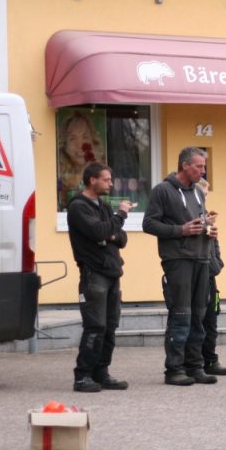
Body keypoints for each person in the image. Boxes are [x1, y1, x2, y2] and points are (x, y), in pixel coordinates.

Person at [143, 147, 219, 386]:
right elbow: (149, 224)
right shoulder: (162, 191)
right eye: (199, 166)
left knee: (199, 315)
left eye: (204, 166)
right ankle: (174, 369)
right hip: (178, 261)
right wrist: (180, 230)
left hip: (202, 258)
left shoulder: (198, 192)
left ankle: (195, 367)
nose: (203, 171)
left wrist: (209, 229)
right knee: (181, 313)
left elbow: (199, 219)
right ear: (185, 165)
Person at [66, 162, 134, 393]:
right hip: (93, 274)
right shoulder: (78, 207)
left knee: (110, 327)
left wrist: (111, 232)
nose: (111, 183)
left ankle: (101, 373)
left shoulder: (103, 206)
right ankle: (82, 376)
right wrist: (120, 217)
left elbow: (121, 238)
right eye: (106, 179)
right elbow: (99, 232)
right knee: (95, 326)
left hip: (112, 272)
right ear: (92, 180)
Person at [197, 178, 226, 377]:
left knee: (212, 317)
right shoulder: (190, 214)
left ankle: (210, 358)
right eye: (203, 194)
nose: (205, 198)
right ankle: (195, 361)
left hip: (211, 277)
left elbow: (213, 243)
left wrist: (217, 263)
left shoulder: (206, 216)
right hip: (196, 276)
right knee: (198, 320)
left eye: (206, 194)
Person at [58, 110, 105, 209]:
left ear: (93, 141)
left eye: (85, 137)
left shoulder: (102, 173)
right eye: (72, 138)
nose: (80, 145)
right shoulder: (60, 179)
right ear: (64, 145)